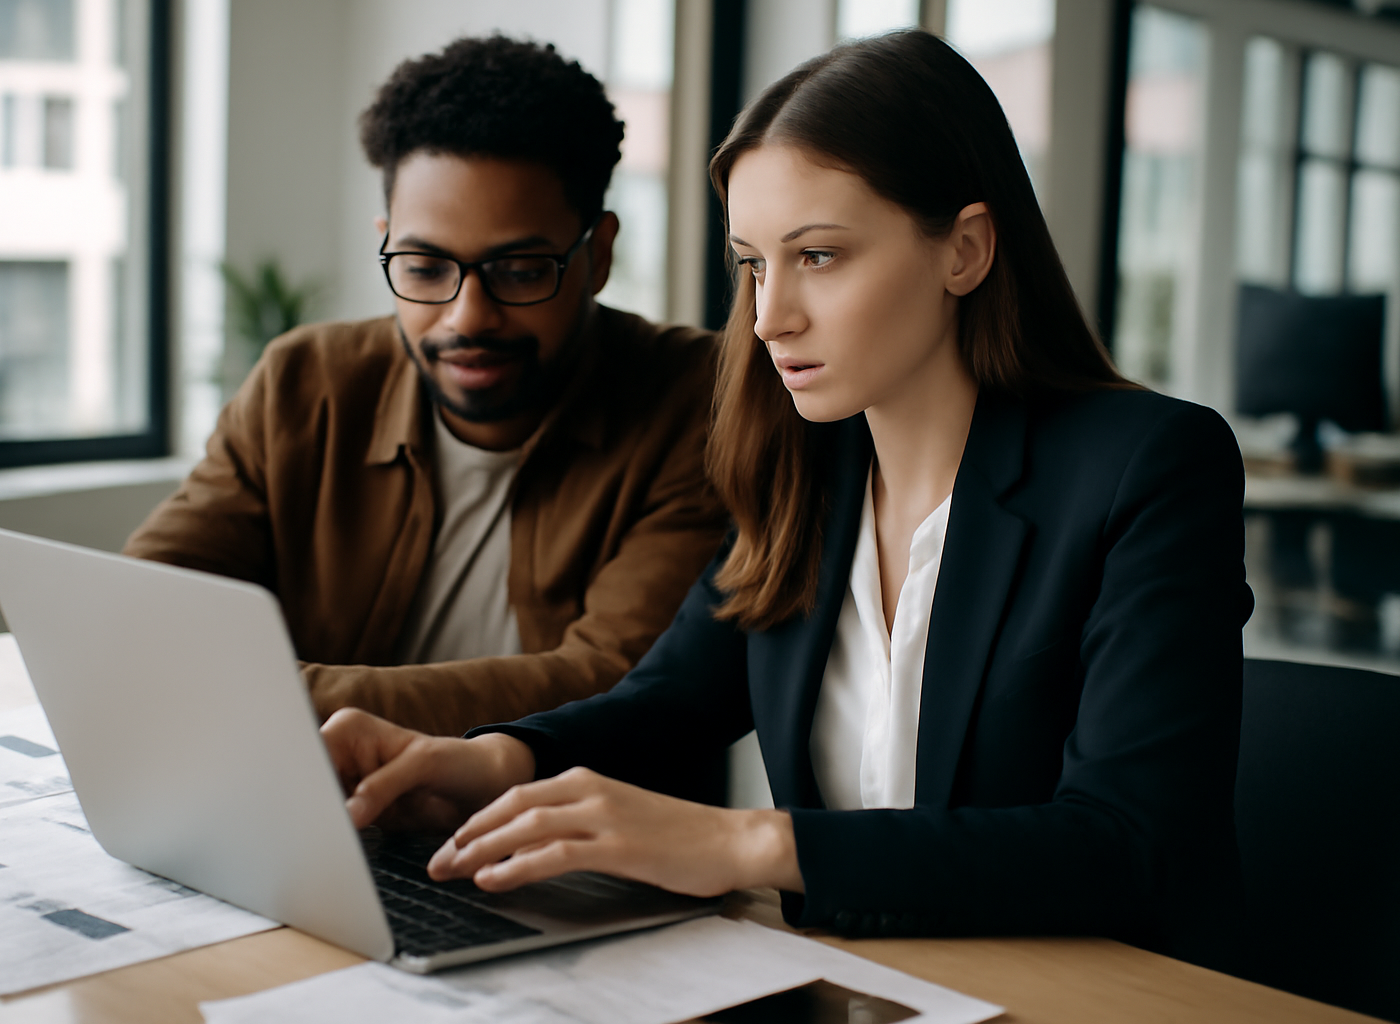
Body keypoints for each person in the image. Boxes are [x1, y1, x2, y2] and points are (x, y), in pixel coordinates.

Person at [320, 30, 1252, 960]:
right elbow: (671, 700)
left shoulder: (1151, 467)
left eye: (818, 256)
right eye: (752, 263)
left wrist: (748, 843)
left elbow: (1130, 845)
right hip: (856, 981)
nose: (769, 318)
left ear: (964, 250)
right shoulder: (807, 464)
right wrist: (489, 763)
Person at [125, 37, 728, 741]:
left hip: (573, 835)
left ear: (597, 255)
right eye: (423, 267)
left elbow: (614, 680)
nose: (467, 315)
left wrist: (276, 694)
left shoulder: (696, 401)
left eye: (521, 270)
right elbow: (149, 610)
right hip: (320, 813)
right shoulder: (303, 384)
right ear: (385, 240)